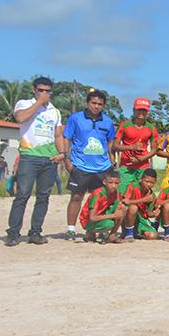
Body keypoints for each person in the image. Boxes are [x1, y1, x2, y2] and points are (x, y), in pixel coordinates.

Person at [61, 88, 117, 241]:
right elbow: (67, 138)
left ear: (104, 106)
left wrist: (112, 161)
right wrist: (67, 160)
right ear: (87, 103)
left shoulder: (107, 121)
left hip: (102, 167)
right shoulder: (76, 118)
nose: (96, 106)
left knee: (101, 199)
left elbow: (111, 141)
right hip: (80, 166)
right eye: (93, 103)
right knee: (76, 197)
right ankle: (71, 229)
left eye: (100, 104)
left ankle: (97, 230)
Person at [111, 97, 158, 193]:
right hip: (126, 167)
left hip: (143, 168)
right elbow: (115, 146)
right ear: (133, 110)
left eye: (144, 110)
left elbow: (154, 150)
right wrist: (131, 147)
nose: (141, 112)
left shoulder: (151, 128)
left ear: (148, 112)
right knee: (122, 194)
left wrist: (141, 159)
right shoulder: (124, 125)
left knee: (140, 194)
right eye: (139, 109)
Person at [78, 168, 124, 244]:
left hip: (102, 215)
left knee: (122, 208)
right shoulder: (98, 194)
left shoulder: (116, 193)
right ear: (104, 182)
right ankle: (90, 231)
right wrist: (113, 215)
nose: (113, 186)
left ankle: (112, 235)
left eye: (116, 183)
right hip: (87, 220)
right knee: (109, 224)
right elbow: (92, 217)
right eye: (110, 182)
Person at [121, 167, 160, 240]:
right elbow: (125, 201)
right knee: (133, 208)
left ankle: (138, 232)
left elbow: (148, 213)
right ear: (141, 179)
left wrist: (154, 214)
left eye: (152, 183)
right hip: (129, 214)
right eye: (147, 181)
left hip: (141, 219)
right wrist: (143, 200)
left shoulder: (151, 195)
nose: (149, 184)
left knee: (152, 236)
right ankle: (129, 233)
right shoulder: (133, 186)